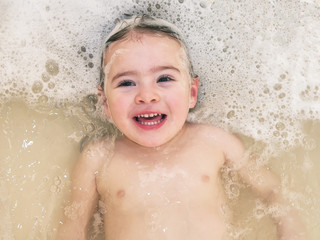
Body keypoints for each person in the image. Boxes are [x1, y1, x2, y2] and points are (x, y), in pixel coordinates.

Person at [57, 14, 305, 240]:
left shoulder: (214, 141)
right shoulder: (99, 158)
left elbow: (271, 189)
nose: (147, 95)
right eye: (126, 83)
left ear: (192, 93)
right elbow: (75, 223)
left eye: (164, 78)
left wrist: (290, 229)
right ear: (105, 103)